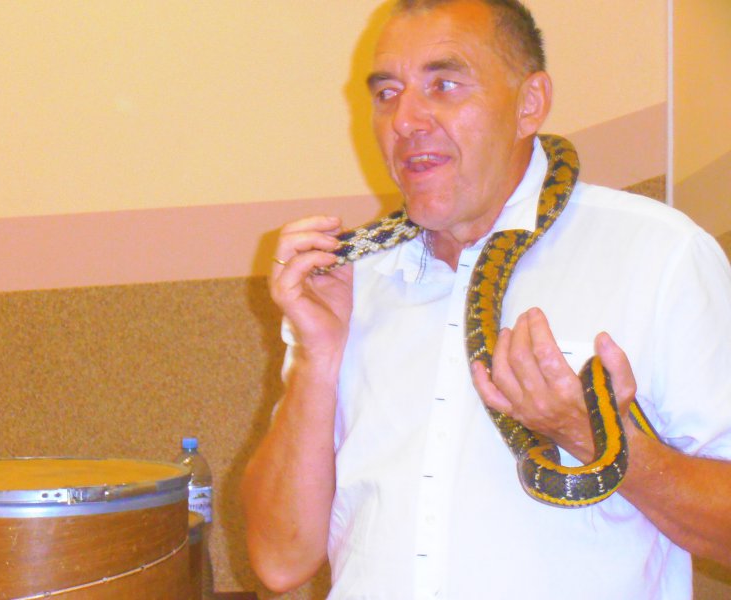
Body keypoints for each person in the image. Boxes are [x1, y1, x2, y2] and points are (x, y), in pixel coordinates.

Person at [241, 0, 731, 598]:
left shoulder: (661, 254)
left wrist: (598, 440)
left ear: (529, 104)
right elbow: (279, 560)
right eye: (387, 93)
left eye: (444, 85)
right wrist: (317, 360)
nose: (405, 120)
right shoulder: (346, 283)